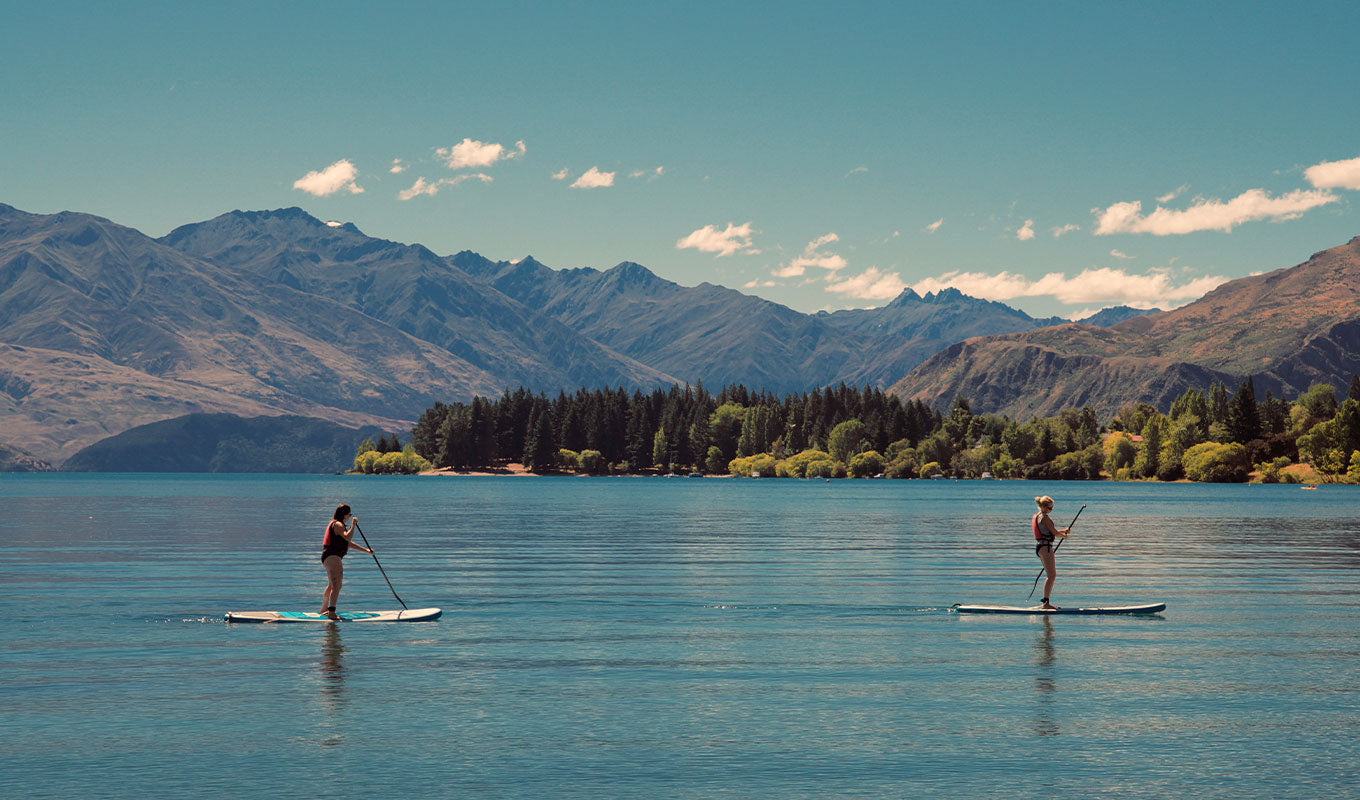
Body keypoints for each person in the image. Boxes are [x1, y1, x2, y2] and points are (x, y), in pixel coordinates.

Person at [320, 504, 373, 620]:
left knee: (331, 585)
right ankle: (332, 613)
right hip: (333, 557)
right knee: (337, 585)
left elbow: (348, 544)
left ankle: (324, 609)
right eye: (349, 514)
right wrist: (353, 525)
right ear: (345, 515)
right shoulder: (338, 524)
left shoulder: (337, 525)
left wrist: (367, 551)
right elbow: (348, 537)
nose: (349, 516)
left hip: (329, 557)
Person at [1032, 495, 1070, 610]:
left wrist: (1063, 531)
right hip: (1045, 548)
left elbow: (1051, 532)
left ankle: (1046, 602)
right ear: (1043, 507)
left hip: (1041, 547)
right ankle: (1046, 604)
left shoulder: (1038, 516)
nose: (1051, 510)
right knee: (1052, 575)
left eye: (1052, 508)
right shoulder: (1045, 518)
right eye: (1049, 508)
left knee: (1051, 575)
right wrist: (1064, 536)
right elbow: (1054, 533)